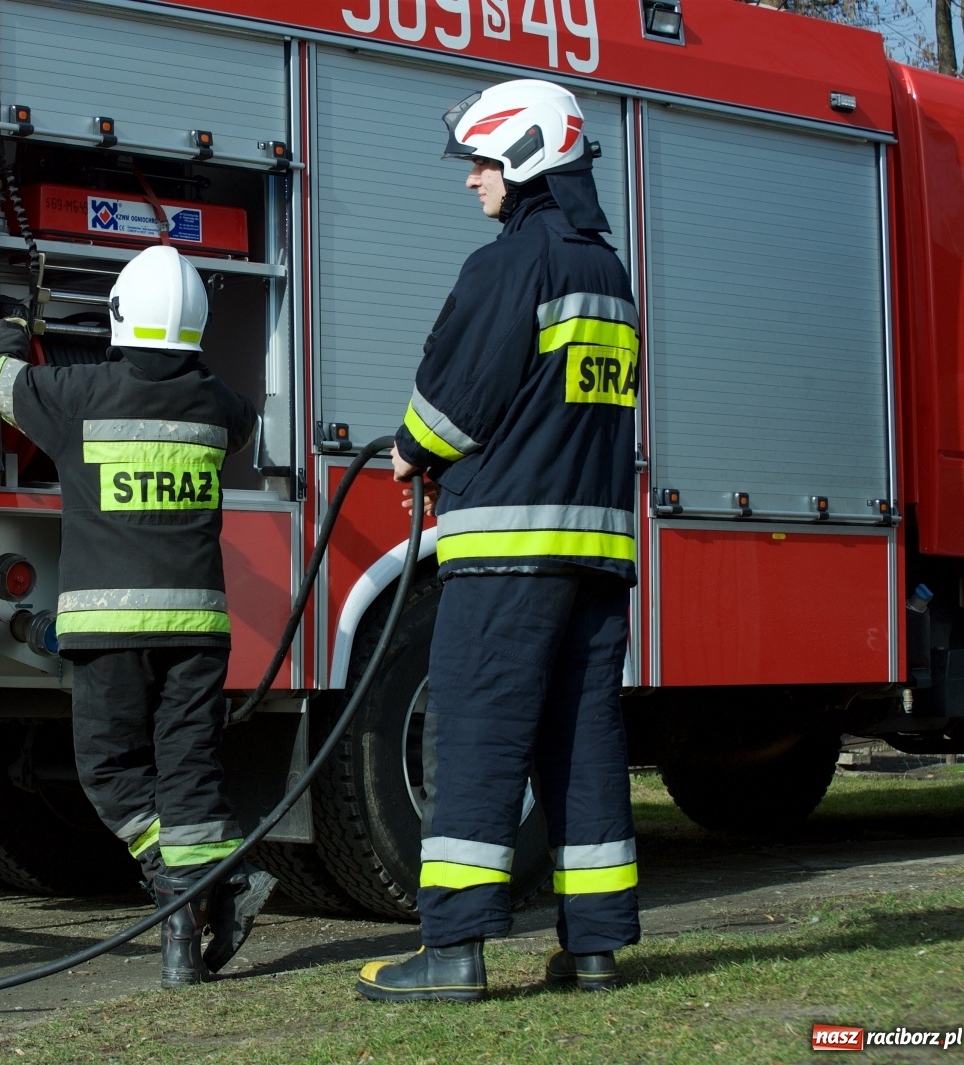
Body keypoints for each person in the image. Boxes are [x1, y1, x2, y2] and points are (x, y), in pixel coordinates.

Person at [356, 79, 642, 1003]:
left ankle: (453, 952)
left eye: (480, 161)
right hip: (594, 555)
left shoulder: (508, 265)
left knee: (474, 735)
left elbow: (456, 398)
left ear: (522, 158)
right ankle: (593, 947)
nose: (470, 180)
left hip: (507, 553)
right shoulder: (608, 269)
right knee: (582, 742)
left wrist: (408, 449)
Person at [0, 245, 277, 989]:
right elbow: (243, 425)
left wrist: (17, 320)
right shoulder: (220, 405)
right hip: (196, 634)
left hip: (107, 631)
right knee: (190, 775)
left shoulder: (77, 394)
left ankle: (192, 893)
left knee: (111, 771)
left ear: (118, 316)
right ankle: (201, 905)